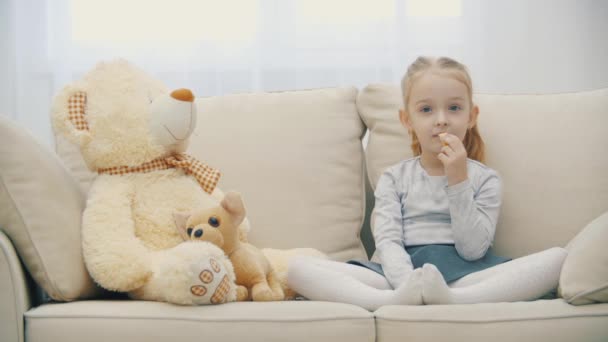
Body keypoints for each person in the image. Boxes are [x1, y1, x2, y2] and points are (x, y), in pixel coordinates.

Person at [287, 56, 567, 311]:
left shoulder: (486, 179)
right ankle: (390, 301)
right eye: (427, 110)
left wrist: (458, 180)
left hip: (464, 275)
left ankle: (453, 300)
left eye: (454, 108)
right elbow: (387, 241)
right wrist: (408, 283)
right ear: (407, 120)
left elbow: (473, 249)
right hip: (397, 274)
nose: (442, 120)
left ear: (471, 116)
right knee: (297, 269)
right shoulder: (394, 178)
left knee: (557, 260)